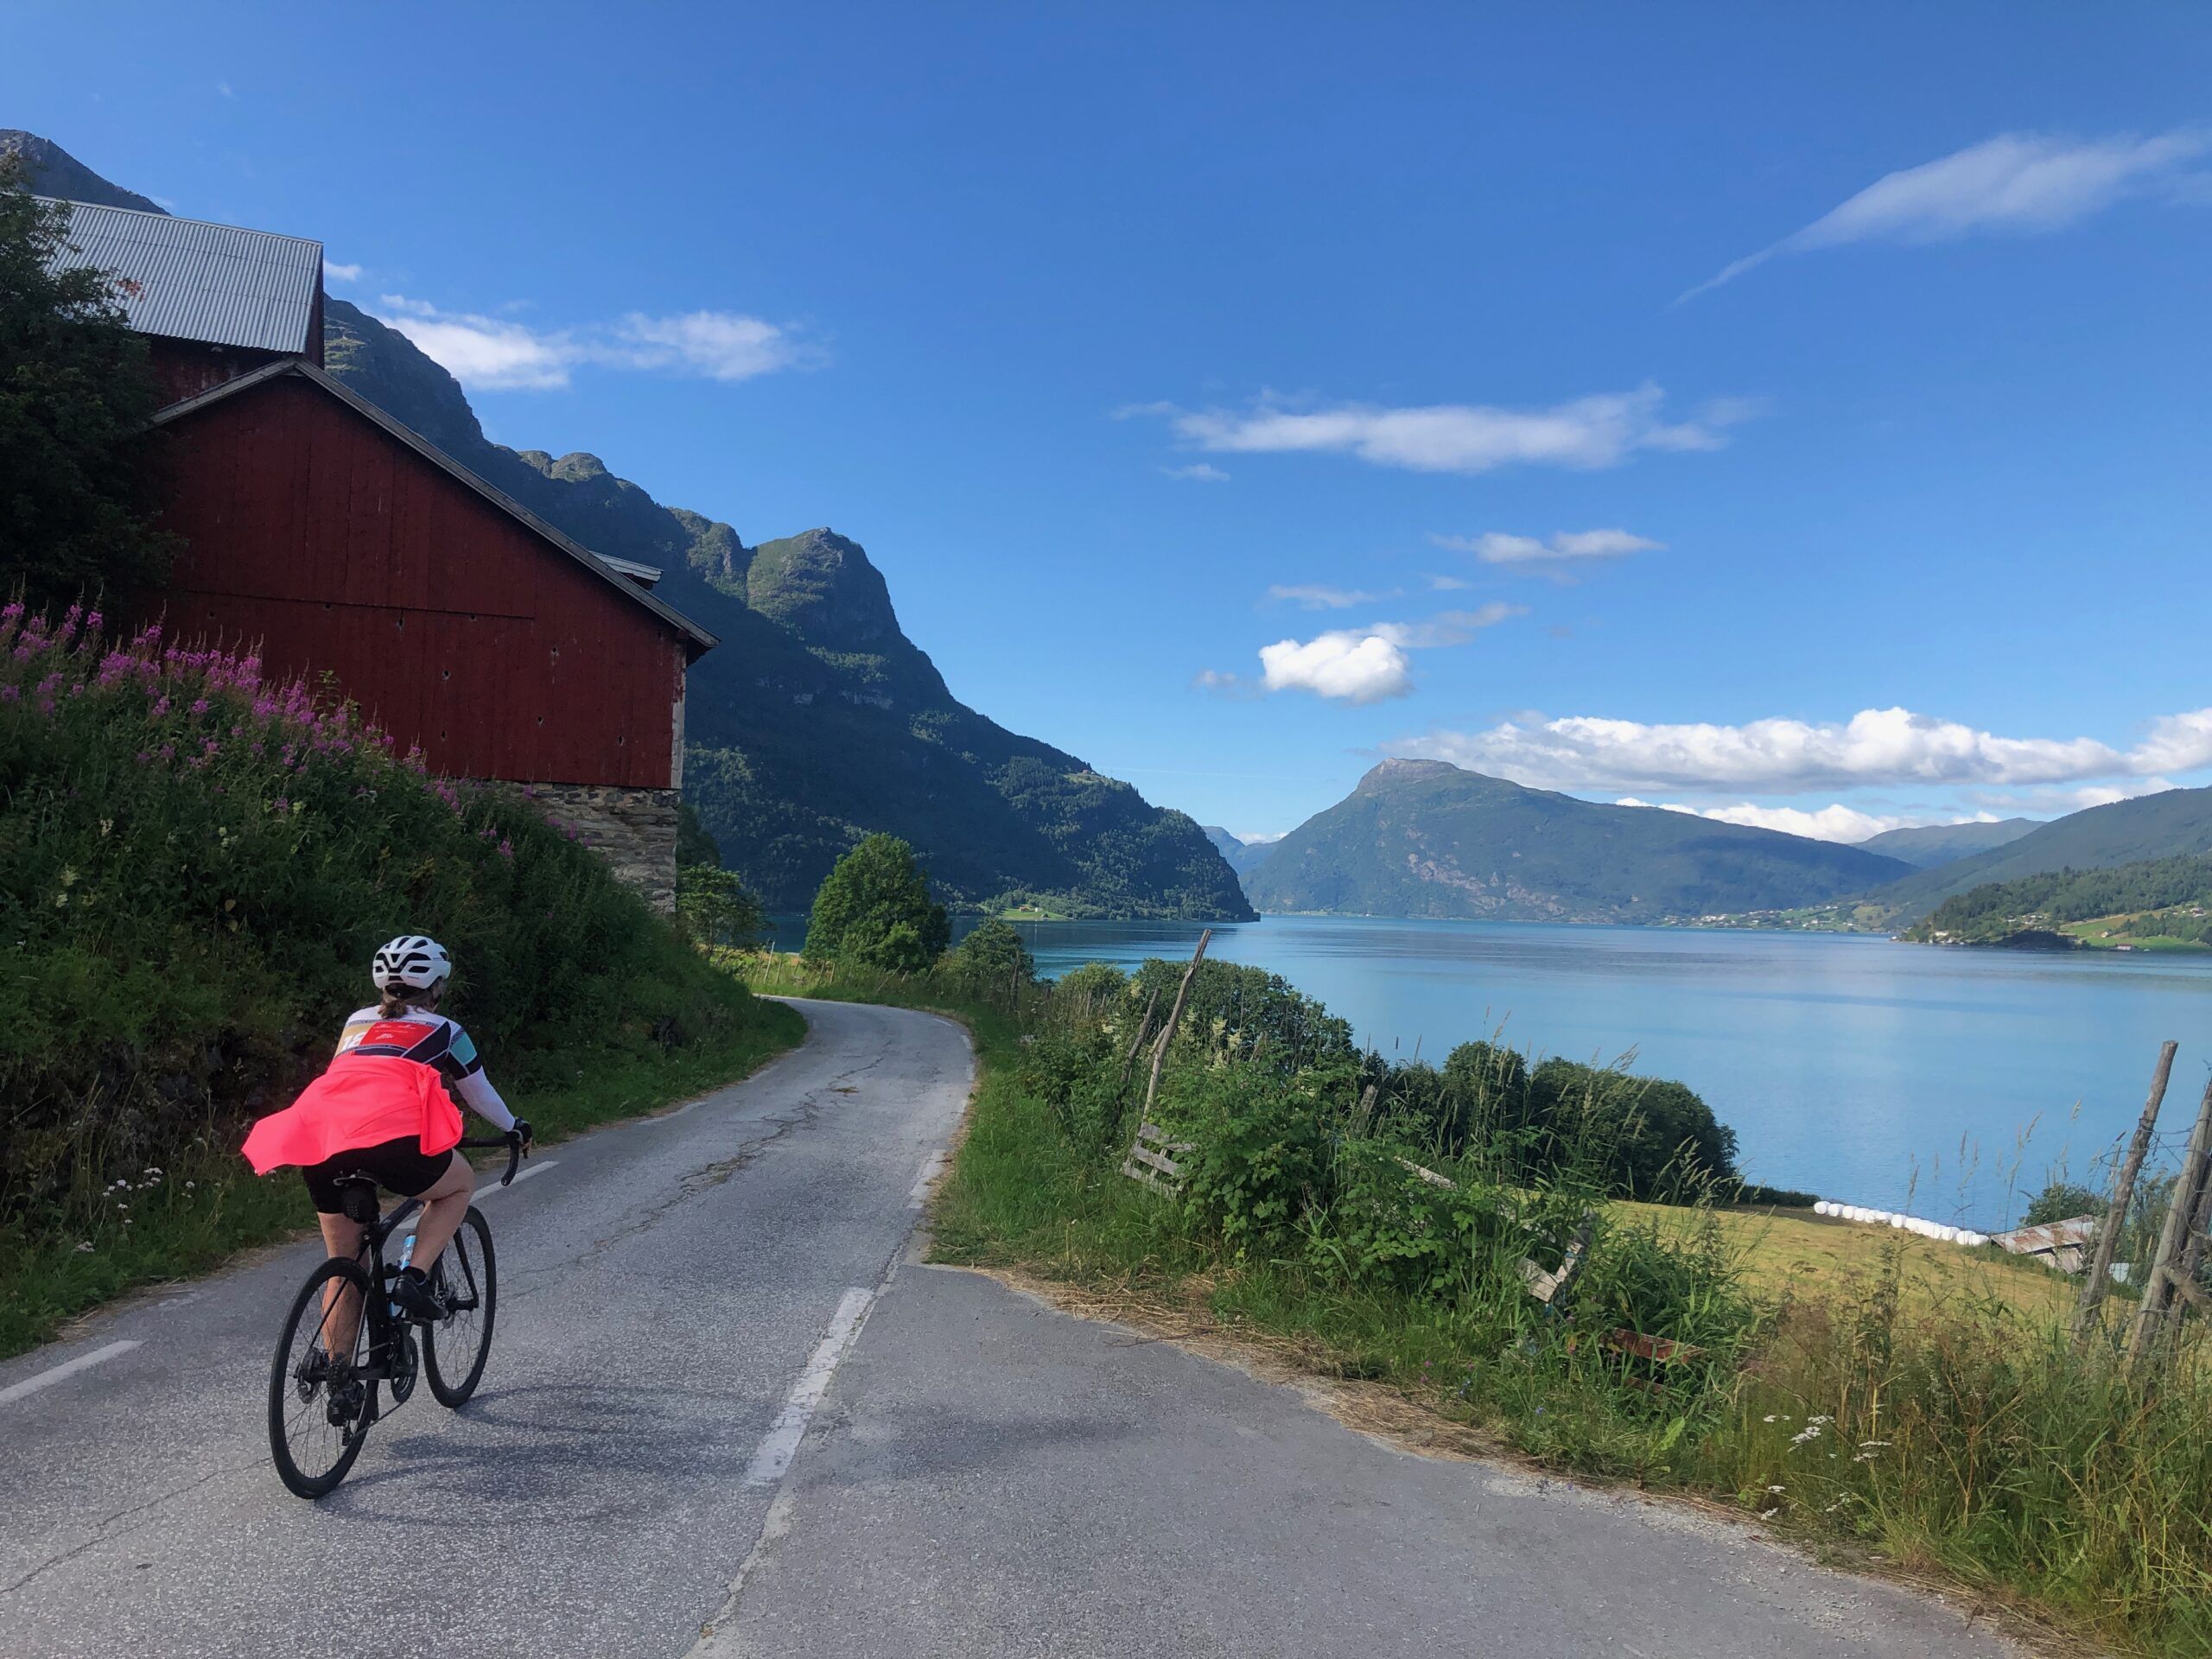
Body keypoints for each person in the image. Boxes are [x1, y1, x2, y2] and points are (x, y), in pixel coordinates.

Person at [243, 935, 531, 1335]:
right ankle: (413, 1278)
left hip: (322, 1138)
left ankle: (340, 1382)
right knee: (459, 1184)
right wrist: (514, 1127)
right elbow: (479, 1094)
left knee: (344, 1270)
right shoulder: (447, 1031)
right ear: (438, 988)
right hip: (393, 1138)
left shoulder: (356, 1022)